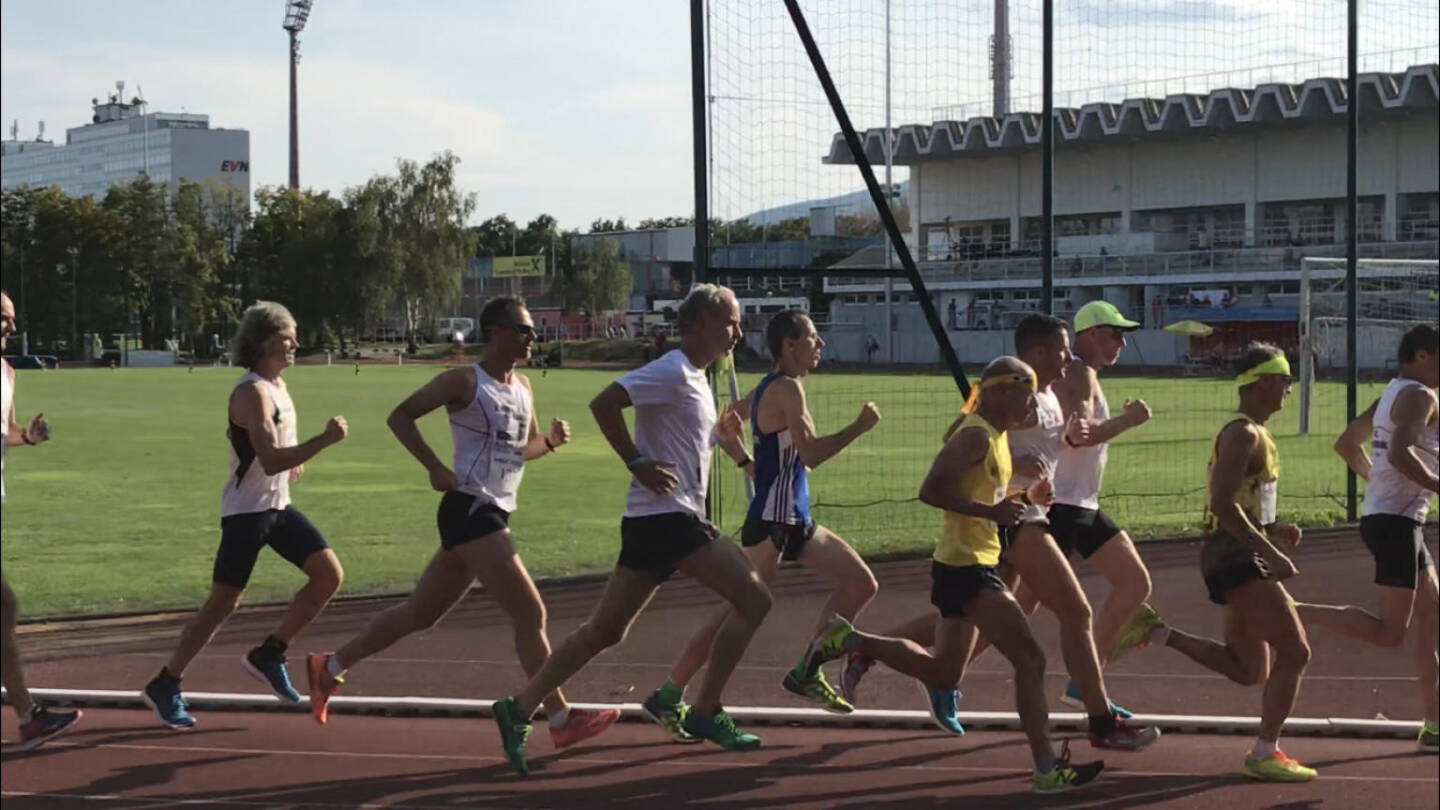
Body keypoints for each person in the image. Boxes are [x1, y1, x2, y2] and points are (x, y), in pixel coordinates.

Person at [306, 298, 620, 748]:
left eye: (532, 332)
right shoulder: (463, 381)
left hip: (488, 512)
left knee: (421, 613)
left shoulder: (525, 386)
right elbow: (401, 416)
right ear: (494, 332)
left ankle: (330, 667)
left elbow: (521, 449)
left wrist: (548, 441)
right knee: (531, 613)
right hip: (470, 509)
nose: (532, 338)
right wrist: (433, 466)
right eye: (524, 330)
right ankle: (559, 717)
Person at [840, 315, 1160, 752]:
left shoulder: (1048, 395)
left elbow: (1043, 445)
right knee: (1076, 612)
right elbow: (959, 434)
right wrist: (1010, 467)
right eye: (1062, 349)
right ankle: (1100, 722)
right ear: (1039, 352)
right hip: (1012, 520)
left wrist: (1042, 469)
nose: (1069, 357)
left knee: (979, 623)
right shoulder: (1011, 387)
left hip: (1027, 513)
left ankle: (874, 651)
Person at [491, 284, 773, 776]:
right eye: (731, 321)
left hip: (655, 520)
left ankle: (517, 709)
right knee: (754, 599)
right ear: (703, 322)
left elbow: (694, 446)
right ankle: (706, 711)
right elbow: (605, 403)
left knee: (605, 630)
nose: (738, 331)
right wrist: (637, 462)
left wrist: (733, 451)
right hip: (667, 519)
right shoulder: (671, 370)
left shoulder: (698, 380)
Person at [807, 357, 1105, 794]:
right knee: (1031, 659)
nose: (1033, 401)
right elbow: (931, 490)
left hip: (965, 562)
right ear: (1001, 391)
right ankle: (1045, 767)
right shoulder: (975, 438)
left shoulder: (997, 438)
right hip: (968, 567)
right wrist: (992, 512)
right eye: (1028, 389)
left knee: (946, 673)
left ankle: (849, 639)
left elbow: (986, 493)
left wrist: (1026, 494)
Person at [643, 312, 880, 739]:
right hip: (773, 523)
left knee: (860, 583)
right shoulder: (786, 388)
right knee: (734, 615)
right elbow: (810, 454)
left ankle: (807, 668)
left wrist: (749, 465)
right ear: (789, 345)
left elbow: (723, 425)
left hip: (794, 519)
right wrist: (859, 427)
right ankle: (668, 695)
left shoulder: (773, 386)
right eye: (812, 337)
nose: (820, 343)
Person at [142, 302, 349, 729]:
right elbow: (269, 459)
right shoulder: (250, 391)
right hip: (246, 514)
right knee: (222, 605)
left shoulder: (277, 387)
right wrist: (322, 441)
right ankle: (165, 683)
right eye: (287, 336)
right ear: (262, 341)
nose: (295, 343)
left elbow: (274, 455)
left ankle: (269, 652)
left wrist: (297, 460)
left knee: (328, 575)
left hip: (276, 507)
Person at [1134, 343, 1317, 781]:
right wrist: (1268, 551)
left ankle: (1155, 632)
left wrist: (1276, 530)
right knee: (1296, 651)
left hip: (1235, 550)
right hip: (1235, 555)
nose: (1289, 391)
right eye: (1285, 381)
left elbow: (1243, 503)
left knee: (1248, 669)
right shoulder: (1243, 434)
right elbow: (1221, 502)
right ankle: (1264, 752)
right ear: (1262, 382)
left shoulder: (1256, 433)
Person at [1302, 323, 1438, 754]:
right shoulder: (1419, 394)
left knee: (1432, 616)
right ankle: (1288, 611)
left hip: (1394, 519)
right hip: (1395, 524)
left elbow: (1347, 444)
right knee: (1389, 634)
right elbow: (1400, 453)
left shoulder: (1393, 393)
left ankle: (1434, 723)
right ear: (1421, 355)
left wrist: (1377, 487)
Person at [0, 290, 82, 751]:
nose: (10, 327)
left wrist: (27, 437)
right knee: (4, 607)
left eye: (12, 319)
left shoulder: (8, 372)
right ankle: (29, 718)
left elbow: (5, 430)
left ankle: (29, 717)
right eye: (2, 318)